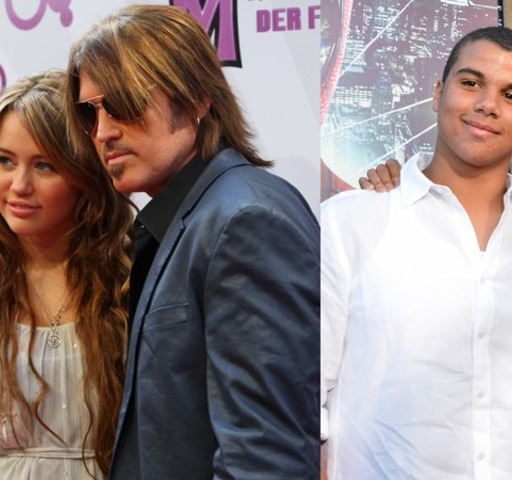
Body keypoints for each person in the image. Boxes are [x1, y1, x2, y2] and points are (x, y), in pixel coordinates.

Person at [321, 26, 512, 479]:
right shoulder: (349, 224)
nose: (488, 104)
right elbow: (304, 387)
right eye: (471, 83)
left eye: (511, 96)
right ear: (438, 93)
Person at [64, 5, 320, 479]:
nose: (103, 133)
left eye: (121, 102)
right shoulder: (200, 214)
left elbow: (264, 459)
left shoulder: (245, 220)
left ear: (197, 97)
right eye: (88, 112)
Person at [0, 70, 132, 479]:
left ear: (84, 174)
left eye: (44, 166)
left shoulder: (130, 278)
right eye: (5, 161)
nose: (19, 185)